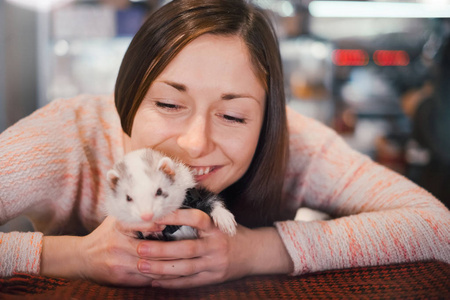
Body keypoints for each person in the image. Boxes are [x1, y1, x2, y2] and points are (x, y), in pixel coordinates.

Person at [1, 0, 449, 289]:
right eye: (169, 103)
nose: (196, 144)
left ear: (269, 119)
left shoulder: (301, 146)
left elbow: (437, 228)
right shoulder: (66, 138)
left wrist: (254, 250)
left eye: (233, 115)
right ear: (128, 96)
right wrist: (71, 255)